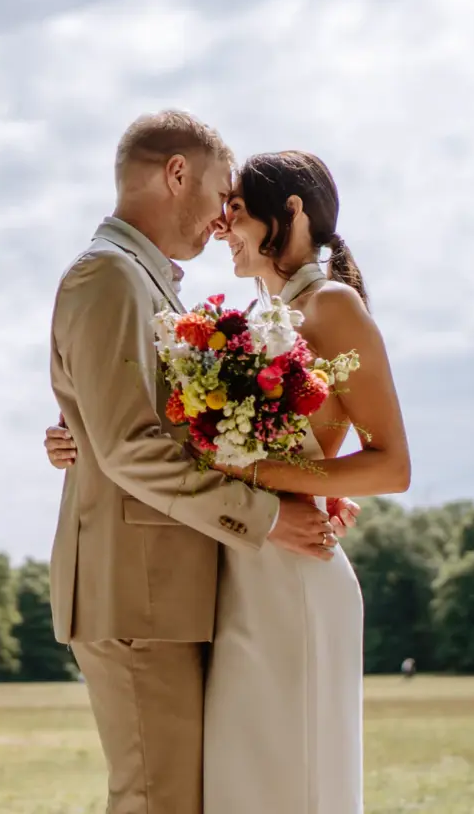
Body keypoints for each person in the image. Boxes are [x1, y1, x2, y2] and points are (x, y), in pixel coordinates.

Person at [45, 147, 412, 814]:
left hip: (294, 574)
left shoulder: (334, 309)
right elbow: (155, 423)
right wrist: (85, 437)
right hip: (234, 571)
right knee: (236, 784)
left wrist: (279, 477)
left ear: (290, 212)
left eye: (234, 210)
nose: (220, 227)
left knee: (288, 775)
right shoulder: (240, 324)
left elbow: (391, 465)